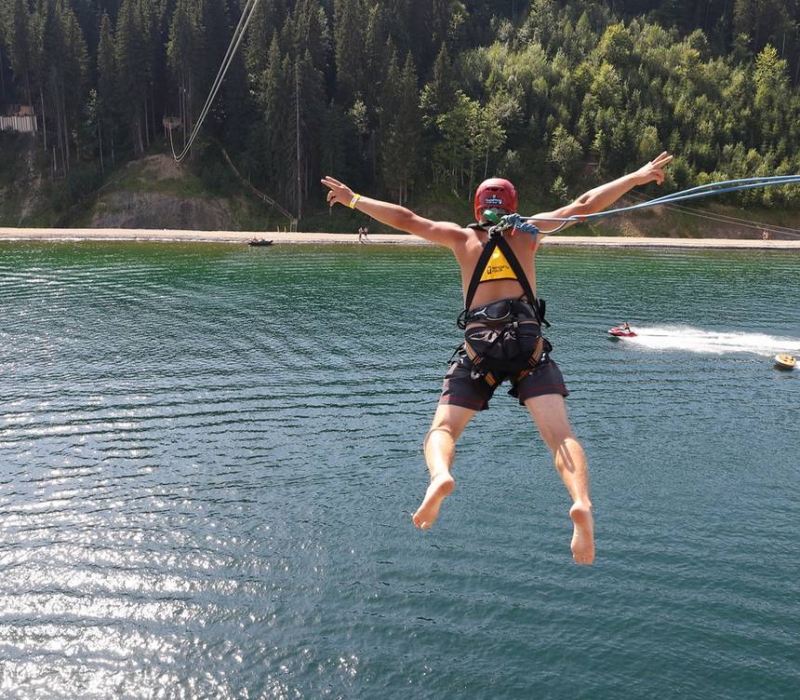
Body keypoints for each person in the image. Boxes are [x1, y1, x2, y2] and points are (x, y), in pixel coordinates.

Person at [322, 152, 672, 565]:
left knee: (444, 430)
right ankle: (581, 502)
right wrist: (634, 175)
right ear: (514, 205)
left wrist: (354, 199)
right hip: (528, 350)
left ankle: (441, 477)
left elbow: (406, 218)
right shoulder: (530, 232)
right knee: (560, 435)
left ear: (476, 207)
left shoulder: (461, 238)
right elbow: (585, 204)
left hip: (479, 352)